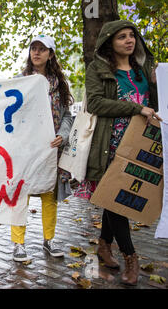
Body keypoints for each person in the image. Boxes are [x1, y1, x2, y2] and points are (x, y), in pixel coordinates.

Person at [74, 20, 160, 286]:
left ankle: (104, 244)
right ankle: (130, 256)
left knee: (113, 197)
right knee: (115, 198)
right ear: (110, 42)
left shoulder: (144, 68)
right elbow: (97, 103)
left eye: (132, 35)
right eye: (122, 36)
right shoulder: (97, 68)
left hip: (141, 142)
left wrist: (156, 83)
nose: (129, 40)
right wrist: (136, 109)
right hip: (110, 143)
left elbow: (155, 104)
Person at [12, 35, 74, 262]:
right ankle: (18, 243)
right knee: (21, 194)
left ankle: (49, 239)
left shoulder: (59, 83)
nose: (36, 52)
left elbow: (67, 115)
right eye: (33, 48)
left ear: (50, 54)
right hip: (25, 149)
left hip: (51, 148)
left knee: (49, 194)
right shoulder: (19, 81)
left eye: (42, 49)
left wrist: (63, 135)